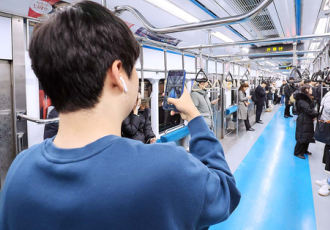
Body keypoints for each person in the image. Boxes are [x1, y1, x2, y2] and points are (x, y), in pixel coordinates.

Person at [0, 2, 240, 229]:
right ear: (118, 74)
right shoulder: (168, 167)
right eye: (134, 68)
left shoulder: (19, 172)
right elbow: (226, 192)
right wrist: (194, 117)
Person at [293, 86, 318, 159]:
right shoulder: (302, 100)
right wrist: (316, 114)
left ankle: (304, 150)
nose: (312, 90)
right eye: (310, 89)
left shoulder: (306, 98)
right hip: (303, 119)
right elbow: (308, 110)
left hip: (307, 118)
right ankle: (297, 152)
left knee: (307, 136)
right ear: (306, 90)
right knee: (302, 135)